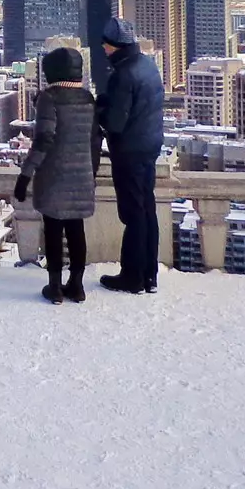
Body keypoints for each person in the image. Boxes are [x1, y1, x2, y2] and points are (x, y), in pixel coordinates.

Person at [15, 45, 98, 303]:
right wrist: (90, 172)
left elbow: (43, 140)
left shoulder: (49, 98)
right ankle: (77, 285)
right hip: (83, 174)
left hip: (53, 175)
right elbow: (95, 141)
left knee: (53, 229)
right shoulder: (88, 98)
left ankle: (54, 287)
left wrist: (25, 175)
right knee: (76, 229)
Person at [95, 17, 165, 294]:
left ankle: (132, 276)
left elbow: (115, 123)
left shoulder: (123, 75)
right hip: (149, 145)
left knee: (133, 213)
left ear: (113, 47)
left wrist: (99, 109)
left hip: (130, 151)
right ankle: (150, 274)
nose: (103, 48)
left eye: (105, 44)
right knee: (147, 210)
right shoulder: (147, 65)